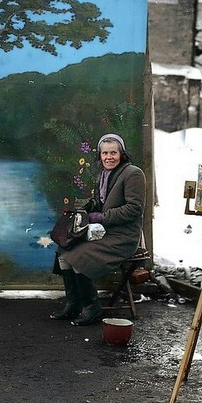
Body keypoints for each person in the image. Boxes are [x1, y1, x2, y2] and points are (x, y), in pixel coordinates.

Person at [50, 133, 146, 326]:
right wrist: (87, 210)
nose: (109, 157)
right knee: (64, 252)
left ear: (122, 154)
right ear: (100, 155)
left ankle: (92, 308)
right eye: (105, 153)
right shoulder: (104, 175)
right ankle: (74, 304)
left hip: (123, 237)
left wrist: (101, 217)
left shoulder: (133, 173)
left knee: (80, 257)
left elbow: (134, 209)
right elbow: (101, 203)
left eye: (113, 152)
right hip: (104, 231)